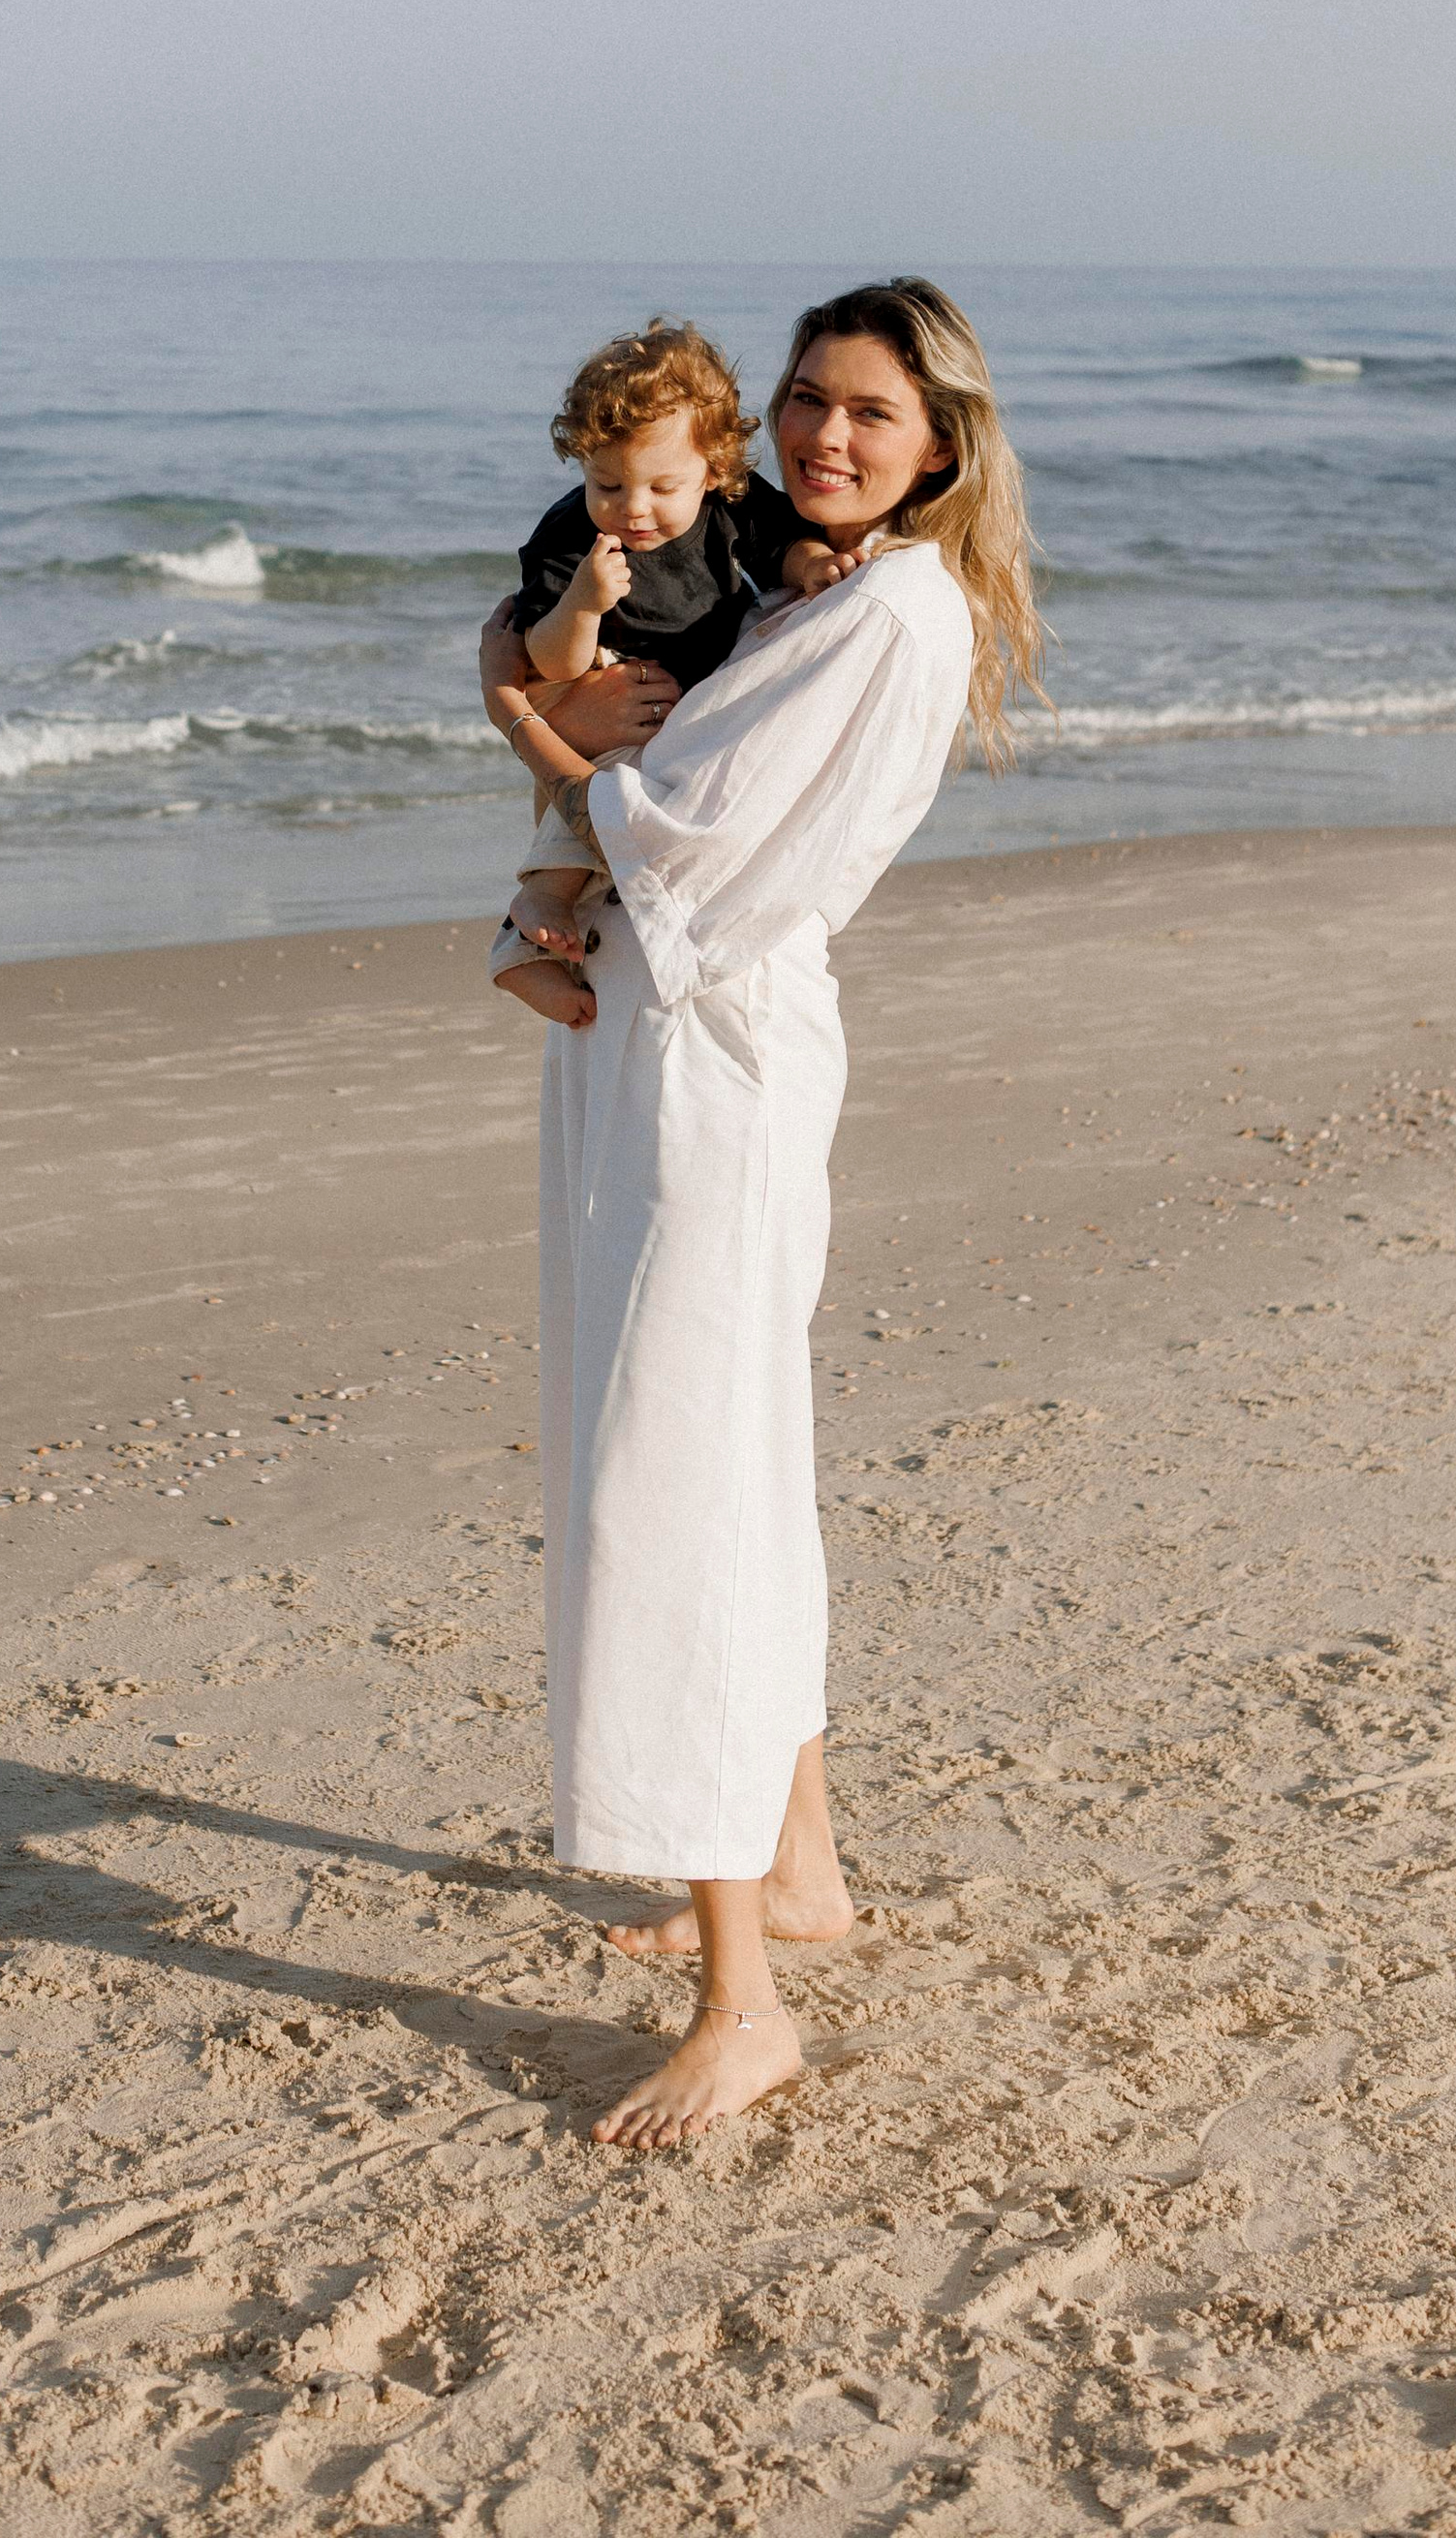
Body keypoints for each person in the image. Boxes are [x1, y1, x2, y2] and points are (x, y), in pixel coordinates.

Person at [479, 277, 1043, 2148]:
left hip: (707, 1048)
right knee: (733, 1464)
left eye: (871, 414)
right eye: (806, 398)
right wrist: (543, 686)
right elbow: (619, 685)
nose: (825, 435)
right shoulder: (817, 585)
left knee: (675, 1486)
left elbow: (682, 831)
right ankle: (797, 1867)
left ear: (942, 443)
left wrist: (533, 738)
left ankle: (750, 2001)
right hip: (671, 1032)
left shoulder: (884, 611)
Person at [493, 319, 828, 1006]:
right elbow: (548, 662)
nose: (632, 510)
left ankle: (540, 946)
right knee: (609, 790)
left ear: (715, 468)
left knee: (621, 850)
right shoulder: (570, 533)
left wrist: (814, 564)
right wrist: (583, 605)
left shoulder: (734, 504)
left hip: (693, 687)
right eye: (607, 484)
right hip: (609, 678)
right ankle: (532, 916)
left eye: (661, 487)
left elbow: (783, 547)